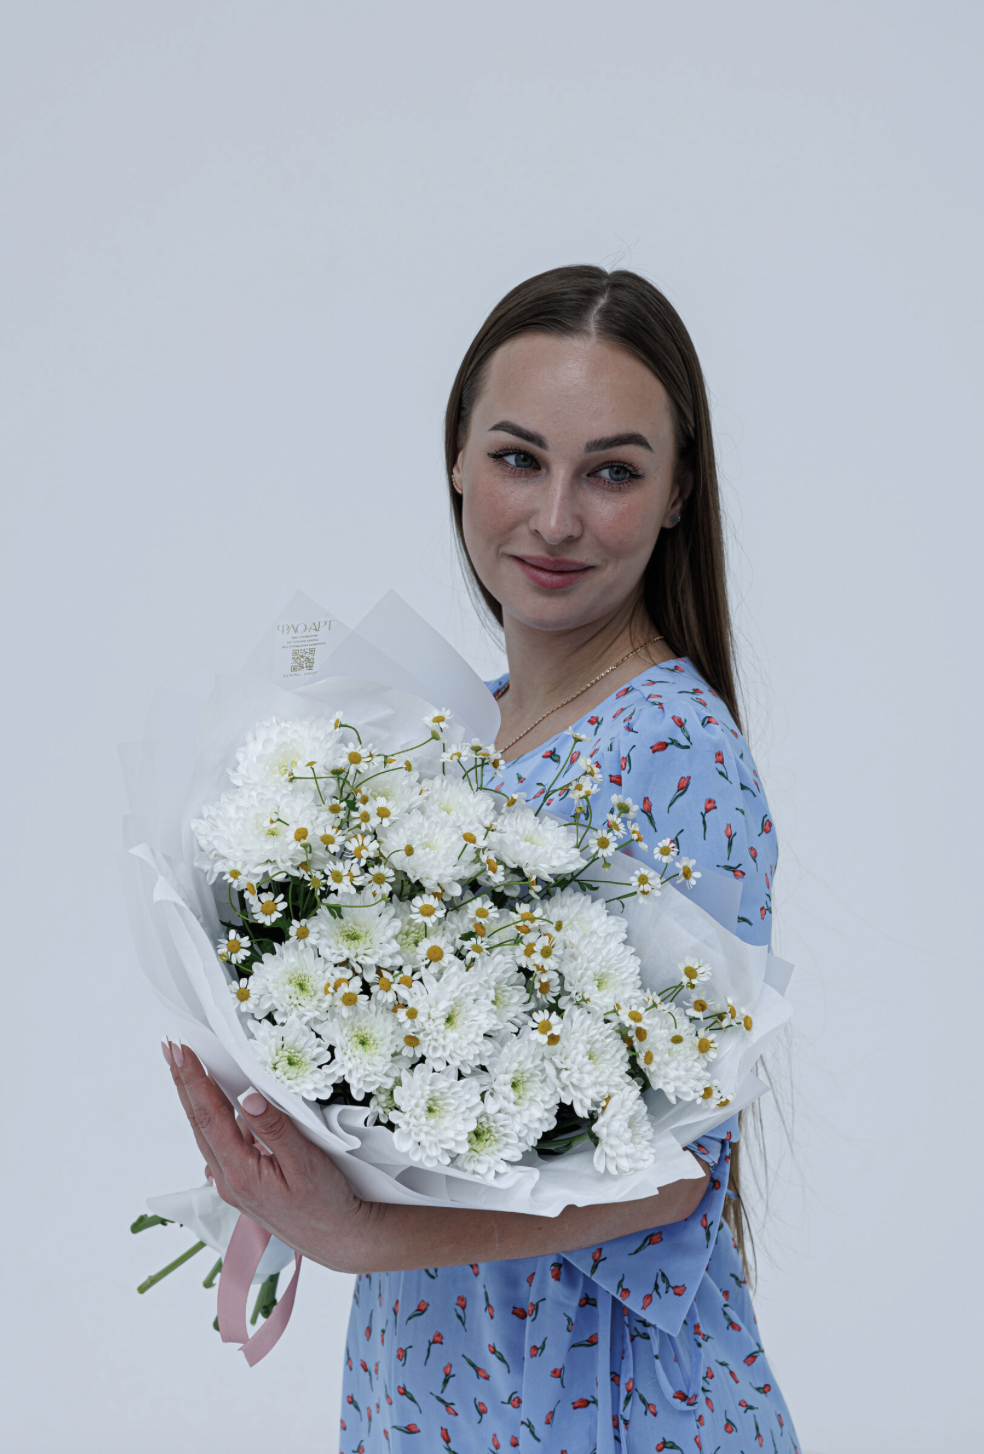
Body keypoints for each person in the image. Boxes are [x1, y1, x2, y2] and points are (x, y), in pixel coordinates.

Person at [166, 266, 799, 1452]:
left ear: (677, 492)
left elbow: (675, 1167)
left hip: (594, 1397)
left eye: (612, 471)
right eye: (518, 457)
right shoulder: (452, 734)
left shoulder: (671, 749)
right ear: (457, 457)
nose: (555, 518)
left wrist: (359, 1230)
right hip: (437, 1373)